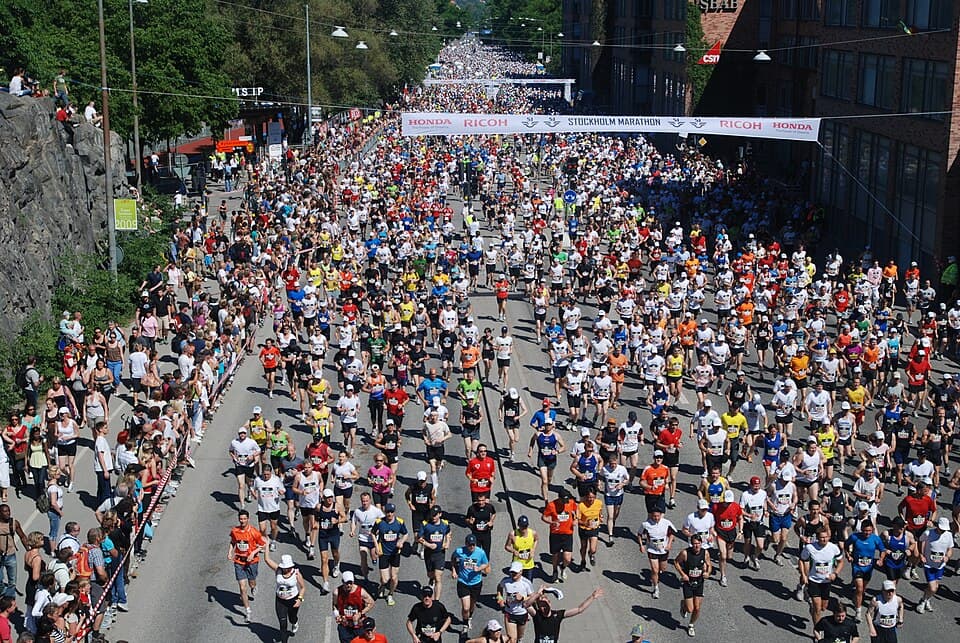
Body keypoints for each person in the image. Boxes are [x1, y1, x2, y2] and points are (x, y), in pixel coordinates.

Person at [523, 584, 604, 643]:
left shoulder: (558, 615)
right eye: (541, 606)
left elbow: (579, 609)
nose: (544, 607)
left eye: (545, 604)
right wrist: (538, 594)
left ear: (550, 603)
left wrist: (592, 597)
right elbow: (526, 605)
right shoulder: (537, 615)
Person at [799, 527, 845, 630]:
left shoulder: (833, 548)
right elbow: (801, 560)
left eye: (826, 537)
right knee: (818, 608)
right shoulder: (810, 548)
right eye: (821, 538)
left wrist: (835, 574)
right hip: (813, 580)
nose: (824, 539)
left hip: (826, 581)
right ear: (817, 538)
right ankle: (817, 631)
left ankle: (813, 609)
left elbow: (841, 562)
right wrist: (804, 575)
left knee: (823, 607)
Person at [228, 509, 266, 622]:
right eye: (241, 519)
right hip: (239, 562)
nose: (242, 521)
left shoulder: (254, 532)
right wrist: (230, 552)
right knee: (242, 587)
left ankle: (254, 586)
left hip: (252, 562)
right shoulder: (235, 531)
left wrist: (253, 553)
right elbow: (233, 542)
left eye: (244, 519)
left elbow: (262, 545)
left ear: (248, 519)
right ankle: (248, 611)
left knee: (251, 582)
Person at [844, 520, 886, 622]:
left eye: (869, 531)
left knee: (862, 589)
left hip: (868, 568)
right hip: (857, 567)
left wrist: (881, 559)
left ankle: (856, 598)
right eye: (865, 531)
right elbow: (846, 545)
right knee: (859, 588)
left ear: (872, 530)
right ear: (861, 529)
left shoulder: (875, 539)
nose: (867, 533)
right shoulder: (855, 537)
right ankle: (858, 612)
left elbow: (883, 550)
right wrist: (848, 555)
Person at [262, 547, 305, 642]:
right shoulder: (278, 570)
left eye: (288, 567)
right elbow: (267, 559)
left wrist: (300, 599)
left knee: (292, 618)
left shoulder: (296, 573)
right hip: (280, 601)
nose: (286, 570)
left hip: (293, 600)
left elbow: (303, 587)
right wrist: (267, 545)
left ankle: (295, 622)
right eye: (285, 568)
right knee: (283, 624)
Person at [674, 533, 712, 637]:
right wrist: (683, 574)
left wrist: (707, 573)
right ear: (691, 544)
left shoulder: (705, 553)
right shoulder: (685, 553)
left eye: (698, 543)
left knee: (697, 608)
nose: (697, 546)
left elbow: (709, 565)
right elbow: (676, 562)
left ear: (701, 543)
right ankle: (684, 605)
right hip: (688, 583)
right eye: (695, 544)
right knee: (690, 609)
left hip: (699, 583)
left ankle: (691, 625)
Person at [451, 533, 490, 631]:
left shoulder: (480, 552)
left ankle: (469, 618)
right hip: (463, 582)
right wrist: (454, 570)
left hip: (476, 583)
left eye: (473, 544)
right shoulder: (459, 551)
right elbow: (453, 559)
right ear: (466, 544)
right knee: (466, 607)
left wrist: (479, 568)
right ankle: (465, 624)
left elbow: (486, 563)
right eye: (469, 545)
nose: (472, 547)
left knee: (472, 605)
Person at [371, 502, 407, 605]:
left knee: (394, 577)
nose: (389, 514)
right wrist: (376, 546)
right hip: (384, 553)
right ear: (385, 512)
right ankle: (382, 586)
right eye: (387, 512)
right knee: (385, 579)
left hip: (395, 553)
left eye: (391, 512)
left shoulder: (400, 522)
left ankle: (390, 594)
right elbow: (372, 533)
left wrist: (401, 542)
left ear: (394, 512)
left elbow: (405, 534)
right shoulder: (379, 522)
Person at [916, 516, 953, 613]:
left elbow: (950, 549)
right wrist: (921, 554)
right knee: (932, 588)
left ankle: (926, 599)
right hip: (929, 564)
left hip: (940, 566)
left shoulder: (949, 535)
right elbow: (920, 541)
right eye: (942, 529)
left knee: (935, 588)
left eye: (945, 530)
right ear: (938, 526)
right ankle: (923, 601)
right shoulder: (928, 533)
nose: (943, 531)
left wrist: (947, 557)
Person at [638, 506, 676, 599]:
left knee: (663, 569)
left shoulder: (666, 523)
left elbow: (672, 533)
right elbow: (639, 534)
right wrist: (641, 545)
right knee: (655, 570)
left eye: (658, 516)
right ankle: (656, 588)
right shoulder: (646, 524)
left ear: (661, 515)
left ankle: (655, 576)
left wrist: (669, 544)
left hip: (664, 550)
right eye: (654, 516)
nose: (656, 518)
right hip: (652, 550)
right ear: (651, 515)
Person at [541, 489, 577, 582]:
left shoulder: (571, 503)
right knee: (555, 555)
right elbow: (544, 517)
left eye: (566, 500)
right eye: (563, 500)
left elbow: (576, 511)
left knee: (567, 558)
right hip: (555, 534)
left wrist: (575, 519)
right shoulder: (551, 505)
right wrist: (552, 522)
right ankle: (555, 571)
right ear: (559, 498)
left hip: (568, 533)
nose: (565, 502)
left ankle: (563, 567)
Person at [417, 505, 451, 600]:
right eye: (432, 515)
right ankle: (431, 579)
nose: (433, 517)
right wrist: (428, 545)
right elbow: (419, 538)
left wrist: (447, 543)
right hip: (429, 553)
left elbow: (448, 533)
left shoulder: (445, 524)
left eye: (435, 515)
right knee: (430, 574)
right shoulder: (425, 524)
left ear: (440, 514)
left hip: (440, 554)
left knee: (438, 577)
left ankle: (436, 600)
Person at [497, 562, 534, 643]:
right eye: (512, 572)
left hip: (522, 613)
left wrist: (522, 598)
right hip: (509, 612)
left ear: (521, 571)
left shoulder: (526, 583)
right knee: (512, 639)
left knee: (520, 636)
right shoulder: (506, 581)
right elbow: (499, 587)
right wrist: (500, 597)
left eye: (515, 572)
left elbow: (532, 597)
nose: (513, 574)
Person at [333, 571, 375, 643]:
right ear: (342, 581)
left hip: (359, 624)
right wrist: (337, 615)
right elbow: (334, 605)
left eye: (351, 583)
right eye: (347, 583)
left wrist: (360, 613)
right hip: (344, 624)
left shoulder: (360, 591)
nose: (349, 585)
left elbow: (371, 603)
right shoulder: (337, 592)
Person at [230, 427, 261, 507]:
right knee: (241, 485)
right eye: (241, 433)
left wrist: (253, 456)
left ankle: (249, 492)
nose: (242, 435)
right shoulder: (234, 442)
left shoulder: (251, 442)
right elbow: (231, 451)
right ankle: (242, 505)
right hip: (239, 465)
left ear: (246, 434)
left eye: (243, 433)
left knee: (249, 482)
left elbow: (258, 450)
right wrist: (233, 457)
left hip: (249, 465)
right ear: (238, 434)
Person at [505, 515, 538, 581]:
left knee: (528, 584)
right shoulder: (513, 534)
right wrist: (514, 551)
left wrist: (533, 549)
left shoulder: (533, 533)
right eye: (522, 526)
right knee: (516, 583)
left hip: (528, 564)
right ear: (518, 525)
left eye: (525, 526)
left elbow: (536, 540)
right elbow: (507, 546)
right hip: (517, 564)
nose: (524, 529)